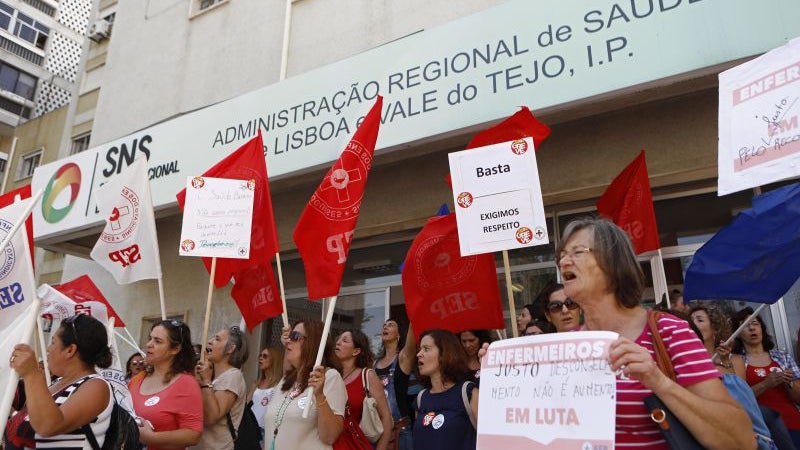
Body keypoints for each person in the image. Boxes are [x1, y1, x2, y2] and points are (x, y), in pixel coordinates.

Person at [558, 217, 755, 449]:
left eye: (577, 251)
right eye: (561, 255)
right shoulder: (564, 347)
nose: (564, 261)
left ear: (612, 263)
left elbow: (741, 440)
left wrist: (658, 381)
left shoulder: (669, 331)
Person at [6, 314, 113, 449]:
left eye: (53, 342)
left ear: (70, 350)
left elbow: (47, 426)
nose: (48, 349)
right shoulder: (57, 384)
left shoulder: (96, 386)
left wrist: (31, 374)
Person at [690, 305, 778, 450]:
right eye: (690, 320)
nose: (693, 324)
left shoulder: (735, 360)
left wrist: (725, 362)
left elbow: (742, 398)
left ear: (715, 329)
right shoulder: (687, 363)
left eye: (699, 320)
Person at [263, 319, 346, 450]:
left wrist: (319, 396)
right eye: (290, 336)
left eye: (295, 336)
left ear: (312, 343)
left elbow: (330, 436)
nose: (288, 341)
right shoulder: (286, 380)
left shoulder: (330, 377)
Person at [732, 308, 800, 449]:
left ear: (762, 328)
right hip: (763, 431)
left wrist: (789, 383)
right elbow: (739, 400)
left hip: (794, 424)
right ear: (737, 334)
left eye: (755, 323)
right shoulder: (738, 361)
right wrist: (766, 384)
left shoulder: (782, 357)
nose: (752, 328)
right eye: (745, 325)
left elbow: (798, 399)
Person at [129, 319, 202, 450]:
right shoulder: (138, 378)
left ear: (175, 349)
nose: (149, 345)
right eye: (150, 338)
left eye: (158, 341)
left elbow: (193, 434)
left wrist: (151, 438)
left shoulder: (186, 383)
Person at [414, 329, 478, 450]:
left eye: (426, 349)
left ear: (444, 354)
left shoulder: (467, 392)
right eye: (419, 349)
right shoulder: (421, 398)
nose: (419, 354)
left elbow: (490, 439)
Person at [333, 329, 393, 450]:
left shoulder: (367, 375)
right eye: (338, 340)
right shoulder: (330, 374)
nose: (338, 343)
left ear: (356, 351)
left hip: (354, 445)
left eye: (344, 341)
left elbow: (386, 418)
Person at [194, 325, 248, 450]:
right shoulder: (212, 376)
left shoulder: (233, 376)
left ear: (230, 349)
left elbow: (211, 417)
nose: (210, 342)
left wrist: (206, 381)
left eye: (217, 339)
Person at [251, 346, 283, 447]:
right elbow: (248, 406)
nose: (261, 358)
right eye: (260, 356)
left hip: (265, 430)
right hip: (251, 429)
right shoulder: (256, 384)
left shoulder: (279, 385)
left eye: (265, 356)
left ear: (274, 360)